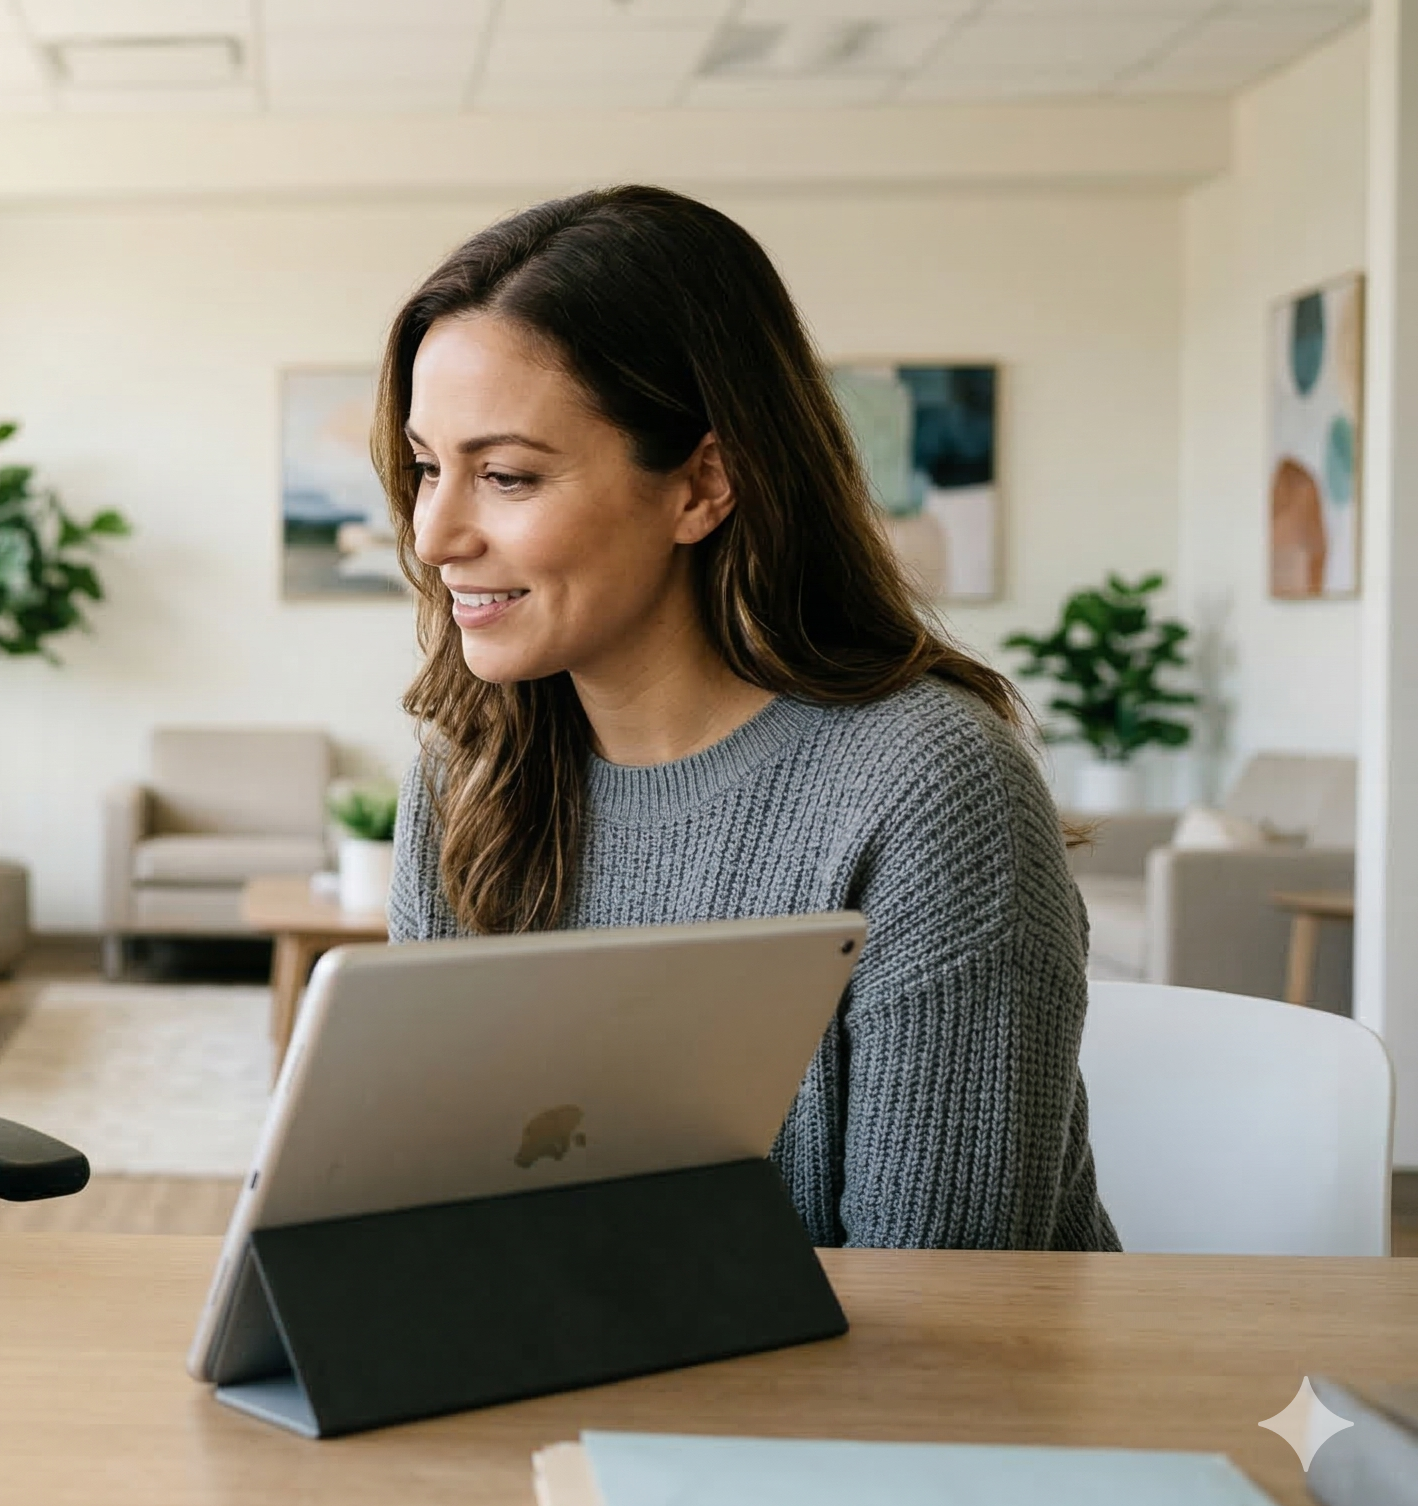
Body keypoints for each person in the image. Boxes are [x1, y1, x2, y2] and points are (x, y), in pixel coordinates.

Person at [381, 185, 1116, 1251]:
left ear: (699, 486)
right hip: (576, 1379)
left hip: (903, 1407)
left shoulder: (931, 787)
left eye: (503, 475)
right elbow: (437, 1220)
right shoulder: (471, 777)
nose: (433, 531)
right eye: (422, 466)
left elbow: (946, 1321)